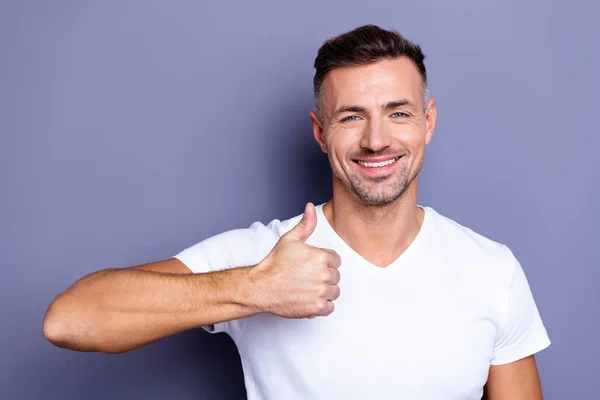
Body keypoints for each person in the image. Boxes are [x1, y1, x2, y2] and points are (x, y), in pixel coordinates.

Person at [43, 24, 551, 399]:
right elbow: (70, 320)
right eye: (352, 117)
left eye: (398, 113)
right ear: (320, 132)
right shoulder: (262, 257)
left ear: (428, 121)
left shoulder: (491, 269)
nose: (377, 140)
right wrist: (252, 288)